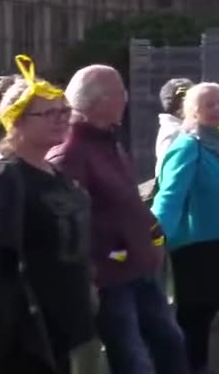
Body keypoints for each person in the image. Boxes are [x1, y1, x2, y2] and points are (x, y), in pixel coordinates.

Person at [0, 56, 95, 373]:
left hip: (61, 331)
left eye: (65, 111)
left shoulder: (52, 171)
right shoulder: (4, 176)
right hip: (25, 340)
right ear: (16, 121)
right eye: (49, 113)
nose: (61, 119)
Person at [50, 66, 187, 374]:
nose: (127, 100)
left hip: (141, 269)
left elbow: (130, 204)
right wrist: (114, 257)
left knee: (170, 343)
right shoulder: (69, 153)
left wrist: (152, 238)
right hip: (112, 281)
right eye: (122, 94)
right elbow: (70, 231)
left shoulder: (108, 139)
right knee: (132, 360)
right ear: (103, 101)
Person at [152, 83, 219, 374]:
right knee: (193, 315)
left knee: (208, 311)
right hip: (196, 246)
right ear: (193, 110)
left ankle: (197, 364)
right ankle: (192, 366)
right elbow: (170, 194)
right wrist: (155, 237)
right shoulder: (187, 145)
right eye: (209, 105)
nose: (217, 109)